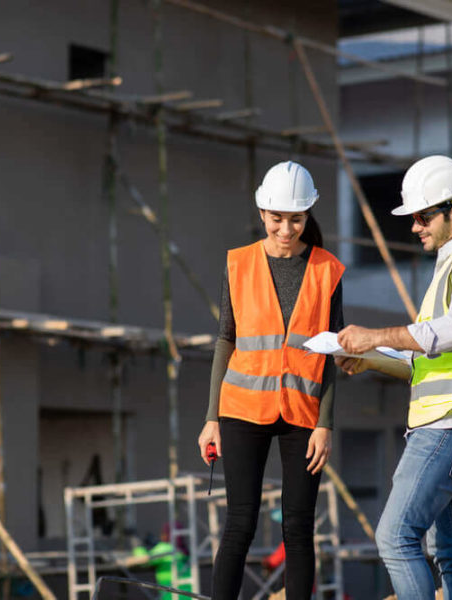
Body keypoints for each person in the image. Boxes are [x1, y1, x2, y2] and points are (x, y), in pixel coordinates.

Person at [336, 155, 452, 600]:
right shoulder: (449, 269)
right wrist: (372, 358)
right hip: (448, 422)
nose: (414, 227)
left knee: (395, 537)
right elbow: (427, 360)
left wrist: (374, 334)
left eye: (422, 216)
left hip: (451, 424)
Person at [198, 161, 345, 600]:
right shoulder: (238, 264)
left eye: (296, 219)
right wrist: (212, 418)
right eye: (277, 218)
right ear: (262, 213)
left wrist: (326, 423)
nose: (286, 228)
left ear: (308, 215)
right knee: (239, 522)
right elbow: (226, 340)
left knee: (299, 526)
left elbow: (332, 352)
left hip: (302, 414)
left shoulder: (327, 269)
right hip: (241, 410)